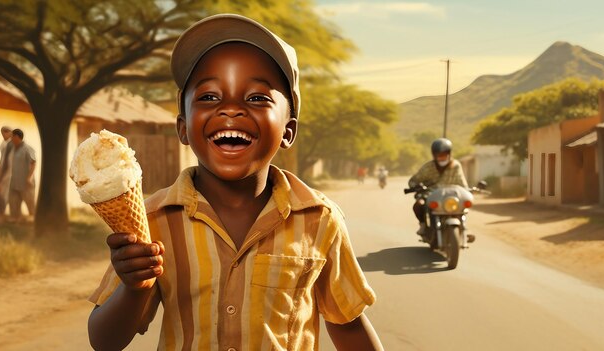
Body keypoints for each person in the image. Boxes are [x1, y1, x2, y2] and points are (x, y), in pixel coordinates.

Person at [88, 14, 383, 351]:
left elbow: (348, 326)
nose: (230, 109)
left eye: (257, 98)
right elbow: (104, 341)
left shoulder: (320, 220)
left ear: (288, 130)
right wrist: (134, 286)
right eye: (209, 97)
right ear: (183, 127)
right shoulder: (153, 220)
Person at [408, 138, 468, 235]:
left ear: (449, 154)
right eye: (439, 155)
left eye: (444, 155)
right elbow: (413, 180)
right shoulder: (428, 167)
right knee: (419, 204)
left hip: (451, 196)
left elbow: (462, 182)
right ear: (434, 155)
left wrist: (467, 190)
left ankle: (463, 228)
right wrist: (416, 186)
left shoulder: (456, 166)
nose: (442, 158)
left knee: (463, 206)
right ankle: (423, 225)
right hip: (430, 194)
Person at [7, 129, 36, 222]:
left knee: (30, 203)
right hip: (14, 181)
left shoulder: (28, 148)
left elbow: (33, 163)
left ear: (17, 137)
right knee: (13, 202)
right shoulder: (12, 149)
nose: (11, 139)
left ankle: (35, 220)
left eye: (12, 137)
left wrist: (29, 178)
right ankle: (15, 219)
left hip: (26, 183)